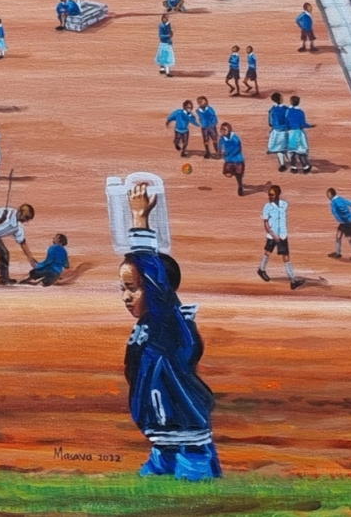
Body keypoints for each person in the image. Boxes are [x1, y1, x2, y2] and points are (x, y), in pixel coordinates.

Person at [119, 184, 220, 481]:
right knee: (150, 487)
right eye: (122, 289)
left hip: (187, 438)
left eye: (133, 288)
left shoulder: (168, 323)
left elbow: (153, 276)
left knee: (194, 492)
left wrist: (140, 220)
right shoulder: (149, 325)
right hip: (163, 439)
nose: (125, 297)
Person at [257, 184, 306, 289]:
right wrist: (273, 235)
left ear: (277, 194)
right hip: (272, 235)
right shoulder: (267, 207)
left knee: (286, 257)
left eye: (272, 195)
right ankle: (261, 269)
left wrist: (281, 234)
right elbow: (266, 223)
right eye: (269, 194)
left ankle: (293, 281)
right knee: (267, 252)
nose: (270, 196)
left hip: (283, 235)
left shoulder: (284, 204)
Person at [327, 188, 351, 259]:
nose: (328, 197)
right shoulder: (340, 199)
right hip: (347, 222)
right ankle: (337, 253)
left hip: (345, 222)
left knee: (349, 238)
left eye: (328, 195)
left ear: (330, 195)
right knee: (338, 236)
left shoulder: (334, 203)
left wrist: (341, 220)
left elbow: (335, 213)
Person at [283, 95, 311, 174]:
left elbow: (286, 122)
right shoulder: (300, 112)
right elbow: (303, 124)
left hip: (291, 133)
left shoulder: (288, 111)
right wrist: (310, 126)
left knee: (293, 151)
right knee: (301, 151)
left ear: (291, 102)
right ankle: (305, 167)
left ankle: (293, 167)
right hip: (298, 133)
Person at [220, 122, 248, 195]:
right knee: (227, 174)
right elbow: (220, 146)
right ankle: (236, 174)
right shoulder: (222, 138)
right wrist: (221, 152)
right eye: (221, 129)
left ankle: (240, 187)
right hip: (229, 161)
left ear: (229, 130)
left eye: (224, 129)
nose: (222, 131)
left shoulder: (235, 138)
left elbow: (238, 148)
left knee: (239, 176)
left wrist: (229, 155)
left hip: (238, 160)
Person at [266, 92, 291, 172]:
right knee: (287, 148)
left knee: (279, 149)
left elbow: (270, 122)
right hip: (285, 130)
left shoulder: (272, 109)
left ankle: (282, 164)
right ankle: (292, 163)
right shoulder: (286, 109)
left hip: (276, 131)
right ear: (280, 98)